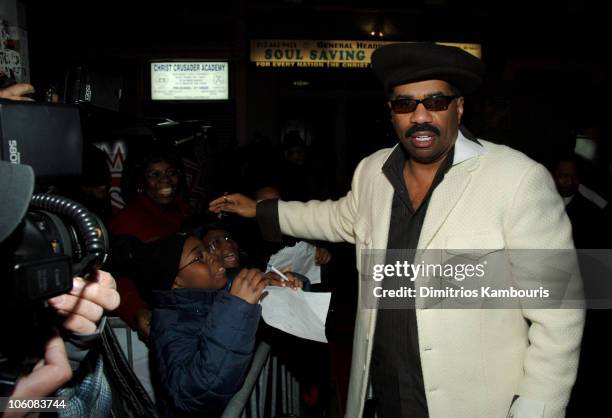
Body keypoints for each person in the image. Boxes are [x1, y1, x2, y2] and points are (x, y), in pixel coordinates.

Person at [210, 43, 585, 418]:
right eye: (406, 105)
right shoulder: (373, 171)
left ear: (459, 107)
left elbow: (560, 311)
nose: (420, 117)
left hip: (474, 403)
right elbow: (336, 218)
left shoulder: (516, 178)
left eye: (436, 102)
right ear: (392, 114)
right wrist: (260, 210)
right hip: (384, 393)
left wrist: (536, 410)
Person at [129, 233, 300, 417]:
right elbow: (195, 395)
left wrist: (284, 282)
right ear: (176, 281)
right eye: (199, 257)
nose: (213, 257)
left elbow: (257, 282)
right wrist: (237, 309)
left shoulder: (209, 294)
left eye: (205, 250)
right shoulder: (169, 327)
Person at [552, 156, 608, 248]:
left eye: (575, 176)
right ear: (553, 176)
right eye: (564, 176)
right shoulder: (539, 205)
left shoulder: (592, 214)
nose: (570, 182)